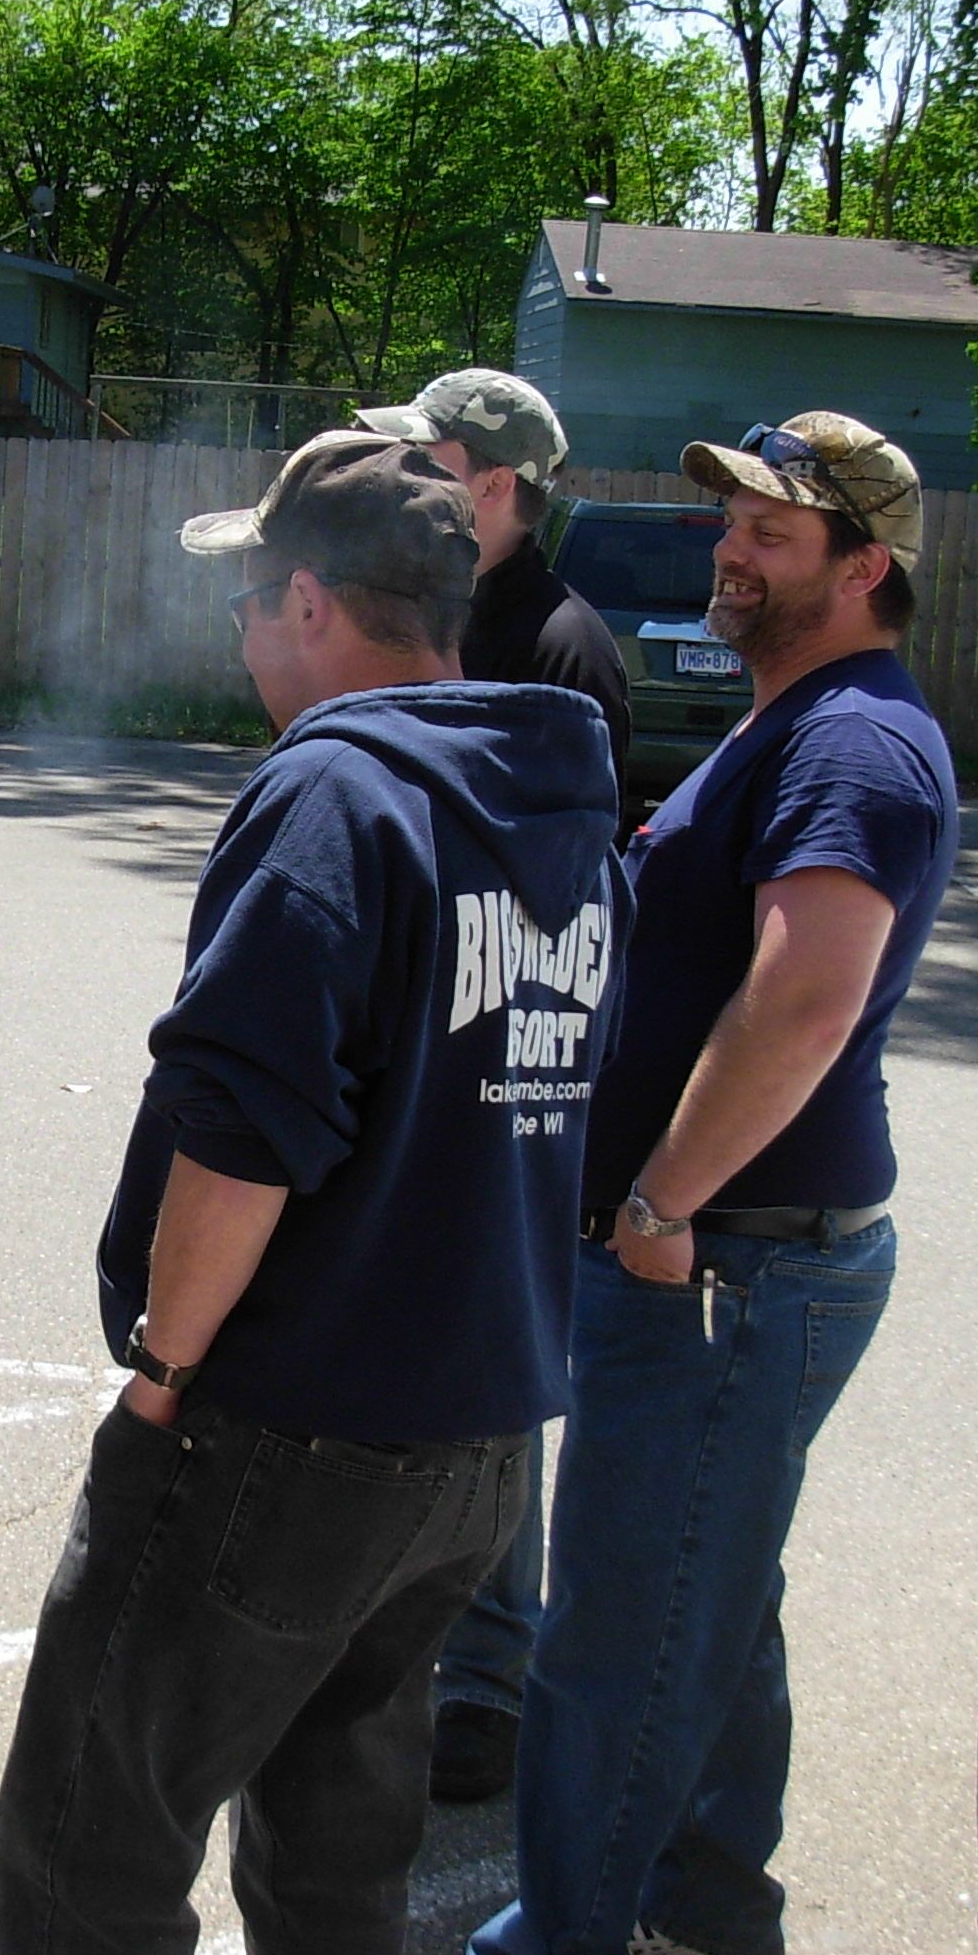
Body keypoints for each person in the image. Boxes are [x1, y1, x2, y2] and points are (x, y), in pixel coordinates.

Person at [0, 430, 626, 1955]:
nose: (240, 631)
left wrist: (162, 1370)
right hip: (475, 1447)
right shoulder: (551, 809)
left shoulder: (334, 796)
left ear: (314, 604)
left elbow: (246, 1131)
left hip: (289, 1434)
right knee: (339, 1852)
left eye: (253, 598)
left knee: (94, 1840)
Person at [464, 414, 957, 1955]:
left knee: (617, 1635)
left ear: (864, 567)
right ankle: (713, 1915)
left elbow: (809, 998)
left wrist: (666, 1200)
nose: (731, 550)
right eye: (732, 520)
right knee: (710, 1592)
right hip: (730, 1259)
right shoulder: (795, 722)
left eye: (772, 532)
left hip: (732, 1265)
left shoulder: (856, 745)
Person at [356, 367, 631, 1805]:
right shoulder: (442, 606)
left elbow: (565, 889)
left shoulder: (560, 646)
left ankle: (490, 1675)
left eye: (437, 460)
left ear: (503, 485)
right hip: (428, 1039)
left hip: (504, 1048)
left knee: (498, 1375)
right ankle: (421, 1647)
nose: (417, 478)